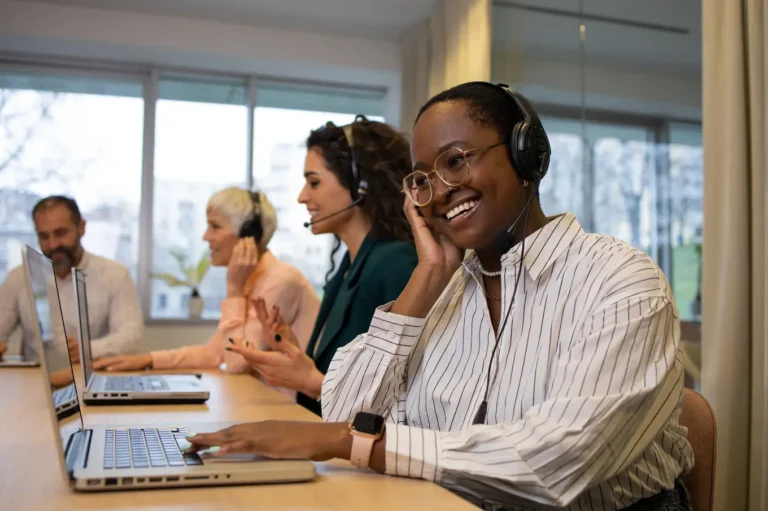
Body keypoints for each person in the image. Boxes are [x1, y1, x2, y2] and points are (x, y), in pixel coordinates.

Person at [185, 83, 694, 511]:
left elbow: (559, 463)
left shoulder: (621, 281)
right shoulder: (443, 290)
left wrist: (355, 442)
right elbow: (344, 408)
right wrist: (426, 279)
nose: (440, 189)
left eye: (456, 161)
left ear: (526, 154)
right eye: (423, 179)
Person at [225, 116, 418, 415]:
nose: (303, 196)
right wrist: (290, 350)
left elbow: (402, 396)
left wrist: (311, 381)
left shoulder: (396, 264)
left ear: (361, 185)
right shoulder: (348, 265)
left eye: (314, 182)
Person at [95, 188, 320, 377]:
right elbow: (215, 352)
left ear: (247, 234)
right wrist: (147, 359)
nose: (205, 237)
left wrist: (233, 291)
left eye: (215, 226)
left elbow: (236, 363)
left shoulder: (280, 280)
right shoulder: (253, 280)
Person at [0, 196, 143, 364]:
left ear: (81, 228)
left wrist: (87, 349)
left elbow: (131, 336)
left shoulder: (114, 274)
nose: (53, 245)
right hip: (37, 382)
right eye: (44, 236)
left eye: (60, 233)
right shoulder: (19, 279)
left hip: (94, 377)